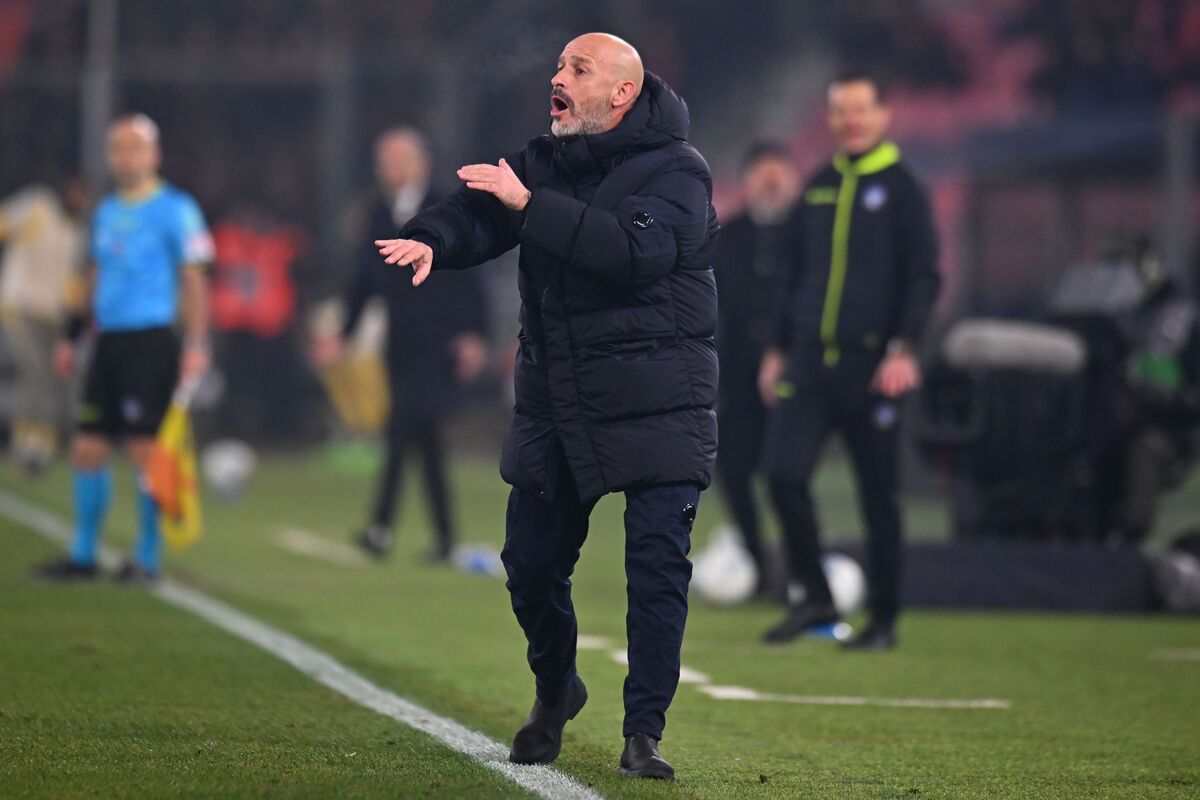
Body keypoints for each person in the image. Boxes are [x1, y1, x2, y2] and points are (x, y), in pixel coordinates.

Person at [374, 33, 718, 780]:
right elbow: (480, 213)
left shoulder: (679, 171)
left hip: (660, 400)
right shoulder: (544, 159)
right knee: (529, 566)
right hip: (561, 400)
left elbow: (631, 255)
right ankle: (557, 686)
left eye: (576, 69)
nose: (557, 78)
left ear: (622, 93)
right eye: (559, 66)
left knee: (656, 568)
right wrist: (432, 238)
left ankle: (644, 732)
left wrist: (530, 206)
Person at [758, 72, 941, 650]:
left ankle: (883, 620)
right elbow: (792, 275)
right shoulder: (819, 185)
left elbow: (924, 277)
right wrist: (777, 349)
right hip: (811, 363)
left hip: (874, 369)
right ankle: (815, 597)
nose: (851, 121)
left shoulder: (904, 189)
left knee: (878, 497)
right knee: (783, 475)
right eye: (841, 111)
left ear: (884, 114)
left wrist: (905, 347)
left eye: (861, 109)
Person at [33, 114, 213, 583]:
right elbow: (93, 278)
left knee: (145, 450)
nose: (125, 157)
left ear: (155, 155)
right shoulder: (107, 211)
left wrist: (196, 342)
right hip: (107, 343)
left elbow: (195, 281)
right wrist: (72, 335)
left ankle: (147, 558)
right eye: (118, 148)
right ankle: (83, 555)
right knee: (87, 447)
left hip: (149, 341)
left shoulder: (177, 209)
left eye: (135, 148)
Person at [316, 127, 489, 561]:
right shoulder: (378, 212)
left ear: (420, 163)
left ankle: (380, 528)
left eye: (396, 159)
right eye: (383, 160)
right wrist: (343, 334)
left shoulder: (448, 205)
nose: (387, 168)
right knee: (426, 439)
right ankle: (445, 538)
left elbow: (472, 272)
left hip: (440, 341)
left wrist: (473, 333)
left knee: (401, 428)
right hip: (401, 343)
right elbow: (366, 279)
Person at [713, 141, 802, 595]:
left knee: (788, 475)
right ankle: (759, 561)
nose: (771, 182)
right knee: (732, 468)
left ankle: (802, 564)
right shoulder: (726, 238)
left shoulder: (810, 235)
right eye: (761, 173)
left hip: (798, 379)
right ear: (746, 181)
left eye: (778, 172)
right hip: (739, 380)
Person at [0, 179, 87, 473]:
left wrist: (74, 310)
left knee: (54, 376)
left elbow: (74, 281)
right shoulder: (37, 205)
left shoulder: (76, 231)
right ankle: (23, 441)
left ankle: (43, 442)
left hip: (52, 315)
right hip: (20, 306)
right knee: (34, 370)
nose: (77, 199)